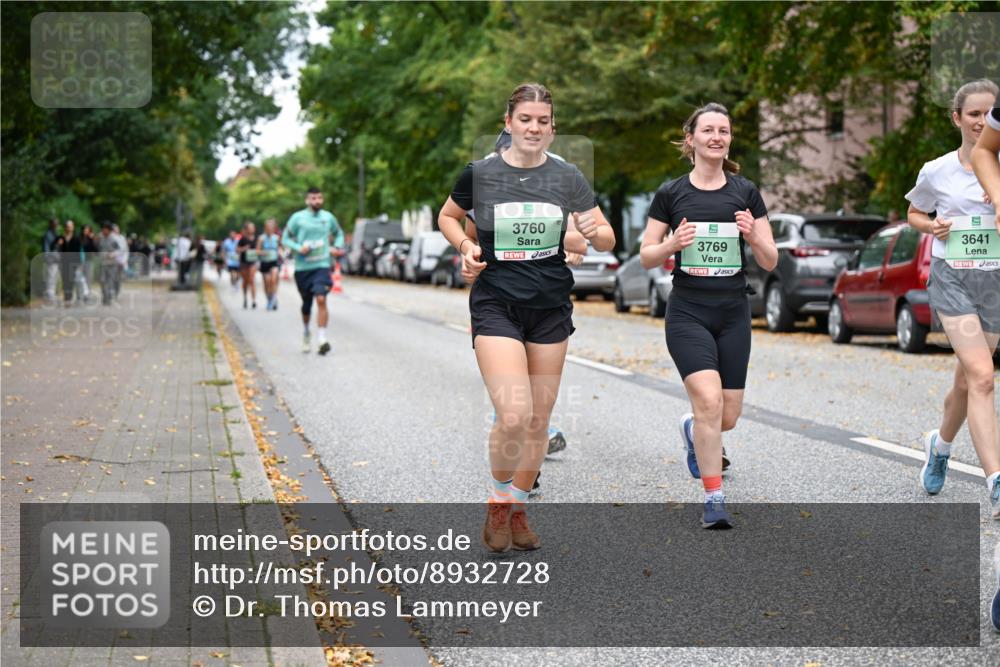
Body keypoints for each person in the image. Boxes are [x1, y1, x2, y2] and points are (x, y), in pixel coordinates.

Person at [438, 83, 615, 552]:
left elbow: (605, 239)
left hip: (550, 306)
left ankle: (517, 509)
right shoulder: (481, 173)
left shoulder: (567, 176)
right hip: (497, 302)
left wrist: (595, 231)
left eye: (543, 121)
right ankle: (498, 502)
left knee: (538, 420)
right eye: (525, 119)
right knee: (514, 414)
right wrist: (466, 246)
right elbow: (447, 217)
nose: (534, 128)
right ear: (509, 123)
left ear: (552, 128)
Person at [639, 102, 777, 529]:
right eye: (708, 130)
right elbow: (646, 256)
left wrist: (754, 236)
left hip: (733, 312)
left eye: (724, 131)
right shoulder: (671, 193)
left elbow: (770, 260)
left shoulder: (745, 192)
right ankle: (714, 498)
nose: (717, 137)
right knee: (709, 402)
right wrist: (672, 245)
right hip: (688, 312)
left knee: (726, 416)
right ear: (691, 139)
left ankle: (691, 427)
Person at [904, 80, 999, 523]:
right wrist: (932, 226)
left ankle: (940, 446)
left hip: (993, 282)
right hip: (952, 279)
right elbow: (914, 213)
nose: (981, 121)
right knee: (982, 376)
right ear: (957, 117)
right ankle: (996, 481)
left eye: (988, 114)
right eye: (974, 114)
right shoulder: (937, 170)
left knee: (967, 381)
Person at [282, 187, 345, 355]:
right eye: (313, 198)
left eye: (319, 198)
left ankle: (322, 339)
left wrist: (337, 246)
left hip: (322, 265)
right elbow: (285, 238)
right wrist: (298, 247)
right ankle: (306, 332)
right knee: (306, 305)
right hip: (303, 268)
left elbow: (339, 234)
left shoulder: (328, 217)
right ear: (307, 200)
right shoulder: (297, 218)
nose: (317, 201)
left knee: (321, 299)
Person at [54, 220, 82, 305]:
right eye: (67, 226)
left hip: (73, 262)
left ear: (73, 228)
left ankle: (69, 297)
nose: (69, 228)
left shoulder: (76, 238)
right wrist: (58, 244)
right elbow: (54, 247)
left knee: (71, 280)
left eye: (70, 226)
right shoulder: (60, 238)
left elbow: (78, 252)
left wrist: (79, 263)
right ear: (65, 228)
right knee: (64, 279)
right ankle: (66, 297)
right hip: (63, 262)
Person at [257, 218, 282, 310]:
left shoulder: (276, 238)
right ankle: (269, 299)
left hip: (274, 262)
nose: (270, 229)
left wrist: (279, 252)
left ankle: (274, 298)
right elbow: (257, 251)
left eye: (271, 227)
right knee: (267, 282)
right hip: (265, 262)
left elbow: (280, 248)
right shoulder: (261, 238)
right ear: (265, 228)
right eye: (268, 227)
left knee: (273, 280)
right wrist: (264, 252)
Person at [97, 222, 123, 305]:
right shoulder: (100, 238)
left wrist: (113, 254)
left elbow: (119, 250)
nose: (104, 231)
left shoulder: (113, 239)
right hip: (103, 263)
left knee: (110, 281)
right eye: (103, 229)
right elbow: (97, 248)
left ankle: (109, 297)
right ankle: (105, 296)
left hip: (112, 263)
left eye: (105, 229)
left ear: (109, 230)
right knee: (102, 280)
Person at [237, 222, 259, 308]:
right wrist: (244, 248)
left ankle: (253, 300)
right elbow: (237, 250)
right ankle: (245, 297)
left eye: (253, 227)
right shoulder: (242, 239)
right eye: (250, 227)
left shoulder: (256, 238)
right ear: (247, 229)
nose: (252, 229)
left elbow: (259, 248)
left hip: (253, 262)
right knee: (245, 281)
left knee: (252, 280)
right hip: (244, 263)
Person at [42, 218, 60, 303]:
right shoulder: (48, 234)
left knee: (54, 277)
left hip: (56, 259)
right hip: (51, 260)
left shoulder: (55, 234)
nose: (56, 226)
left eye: (57, 224)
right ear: (51, 224)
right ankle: (49, 295)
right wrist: (48, 258)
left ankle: (52, 294)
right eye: (54, 224)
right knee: (50, 277)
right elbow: (46, 248)